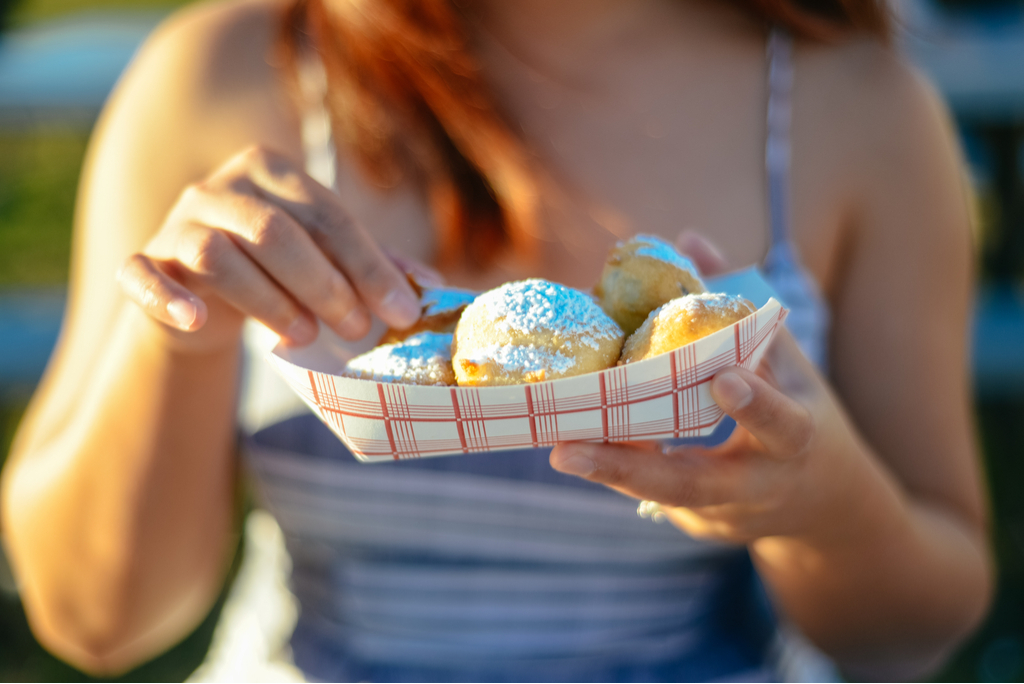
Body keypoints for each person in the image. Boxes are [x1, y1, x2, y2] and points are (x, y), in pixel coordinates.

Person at [0, 0, 992, 679]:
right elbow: (97, 618)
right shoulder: (218, 77)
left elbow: (917, 632)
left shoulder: (855, 109)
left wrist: (822, 506)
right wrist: (182, 340)